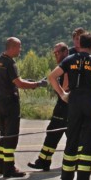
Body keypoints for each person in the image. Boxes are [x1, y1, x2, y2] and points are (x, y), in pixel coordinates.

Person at [57, 31, 91, 180]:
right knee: (87, 143)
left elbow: (52, 77)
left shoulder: (69, 60)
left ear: (80, 43)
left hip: (74, 103)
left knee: (71, 140)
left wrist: (62, 94)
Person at [0, 36, 46, 177]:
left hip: (1, 101)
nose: (20, 50)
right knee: (11, 135)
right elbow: (19, 83)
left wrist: (27, 81)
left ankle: (1, 165)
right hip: (11, 103)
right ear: (12, 47)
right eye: (19, 47)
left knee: (4, 134)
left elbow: (14, 80)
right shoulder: (10, 63)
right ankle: (9, 168)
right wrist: (37, 84)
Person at [29, 41, 72, 170]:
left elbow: (66, 86)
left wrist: (60, 91)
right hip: (66, 104)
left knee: (54, 131)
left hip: (64, 105)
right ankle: (45, 160)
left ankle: (44, 161)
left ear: (65, 52)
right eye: (54, 53)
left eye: (58, 52)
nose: (55, 55)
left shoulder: (67, 65)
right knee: (66, 132)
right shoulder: (65, 64)